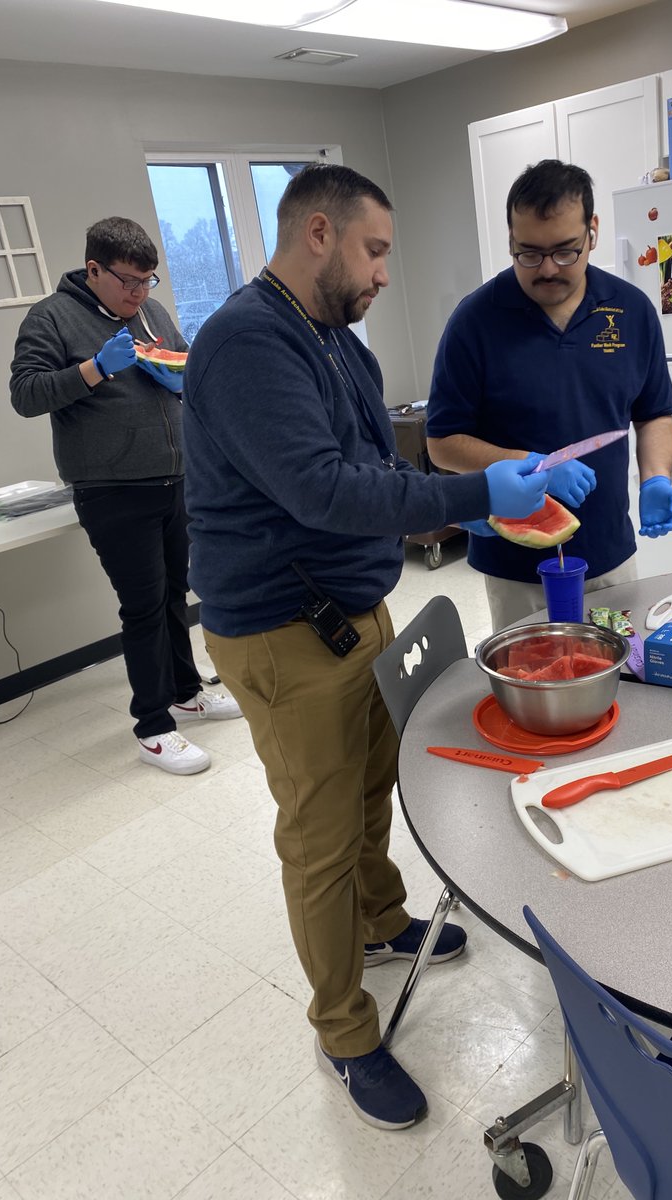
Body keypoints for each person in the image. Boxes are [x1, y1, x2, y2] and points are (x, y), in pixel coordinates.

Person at [182, 163, 550, 1132]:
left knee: (375, 780)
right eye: (375, 249)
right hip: (281, 634)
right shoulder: (245, 344)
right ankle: (344, 1029)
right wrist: (480, 499)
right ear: (317, 232)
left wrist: (496, 473)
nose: (386, 271)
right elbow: (328, 492)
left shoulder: (335, 339)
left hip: (356, 608)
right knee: (318, 835)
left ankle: (384, 924)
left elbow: (378, 465)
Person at [10, 216, 241, 776]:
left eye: (148, 281)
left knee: (173, 596)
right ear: (94, 269)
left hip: (174, 477)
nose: (139, 294)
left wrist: (179, 375)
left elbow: (186, 361)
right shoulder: (51, 318)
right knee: (141, 606)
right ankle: (153, 727)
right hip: (110, 489)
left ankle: (186, 691)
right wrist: (92, 370)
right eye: (128, 282)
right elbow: (25, 393)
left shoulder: (151, 313)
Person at [426, 159, 672, 632]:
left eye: (565, 251)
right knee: (535, 684)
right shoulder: (473, 322)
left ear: (593, 232)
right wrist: (535, 463)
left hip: (610, 555)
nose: (547, 269)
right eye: (528, 254)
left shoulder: (632, 311)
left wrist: (656, 478)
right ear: (510, 241)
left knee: (618, 679)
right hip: (515, 565)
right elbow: (441, 442)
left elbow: (654, 415)